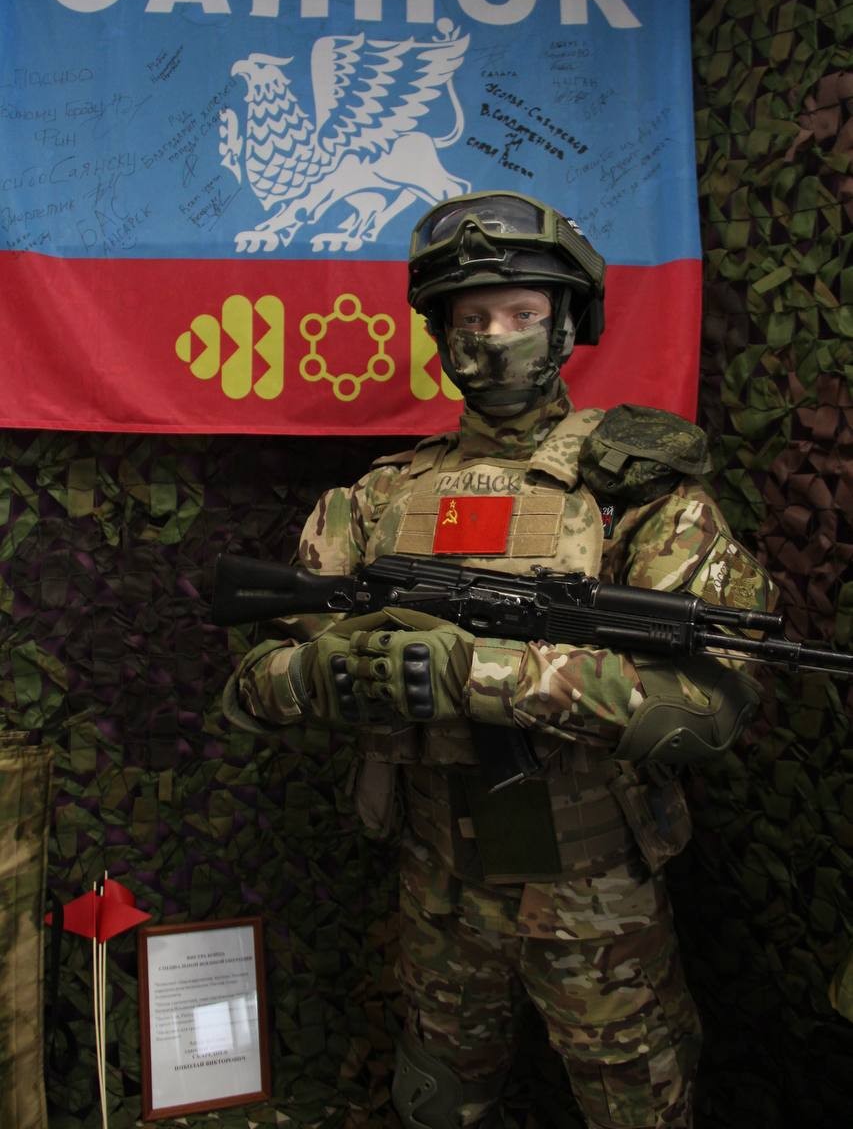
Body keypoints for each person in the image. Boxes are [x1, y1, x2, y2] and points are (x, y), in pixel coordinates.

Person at [224, 191, 775, 1129]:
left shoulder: (637, 496)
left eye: (520, 312)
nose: (493, 339)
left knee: (638, 1107)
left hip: (595, 896)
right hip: (436, 886)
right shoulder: (377, 500)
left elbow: (708, 707)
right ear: (439, 334)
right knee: (437, 1101)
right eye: (469, 318)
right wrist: (325, 675)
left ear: (565, 325)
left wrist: (479, 675)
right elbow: (253, 686)